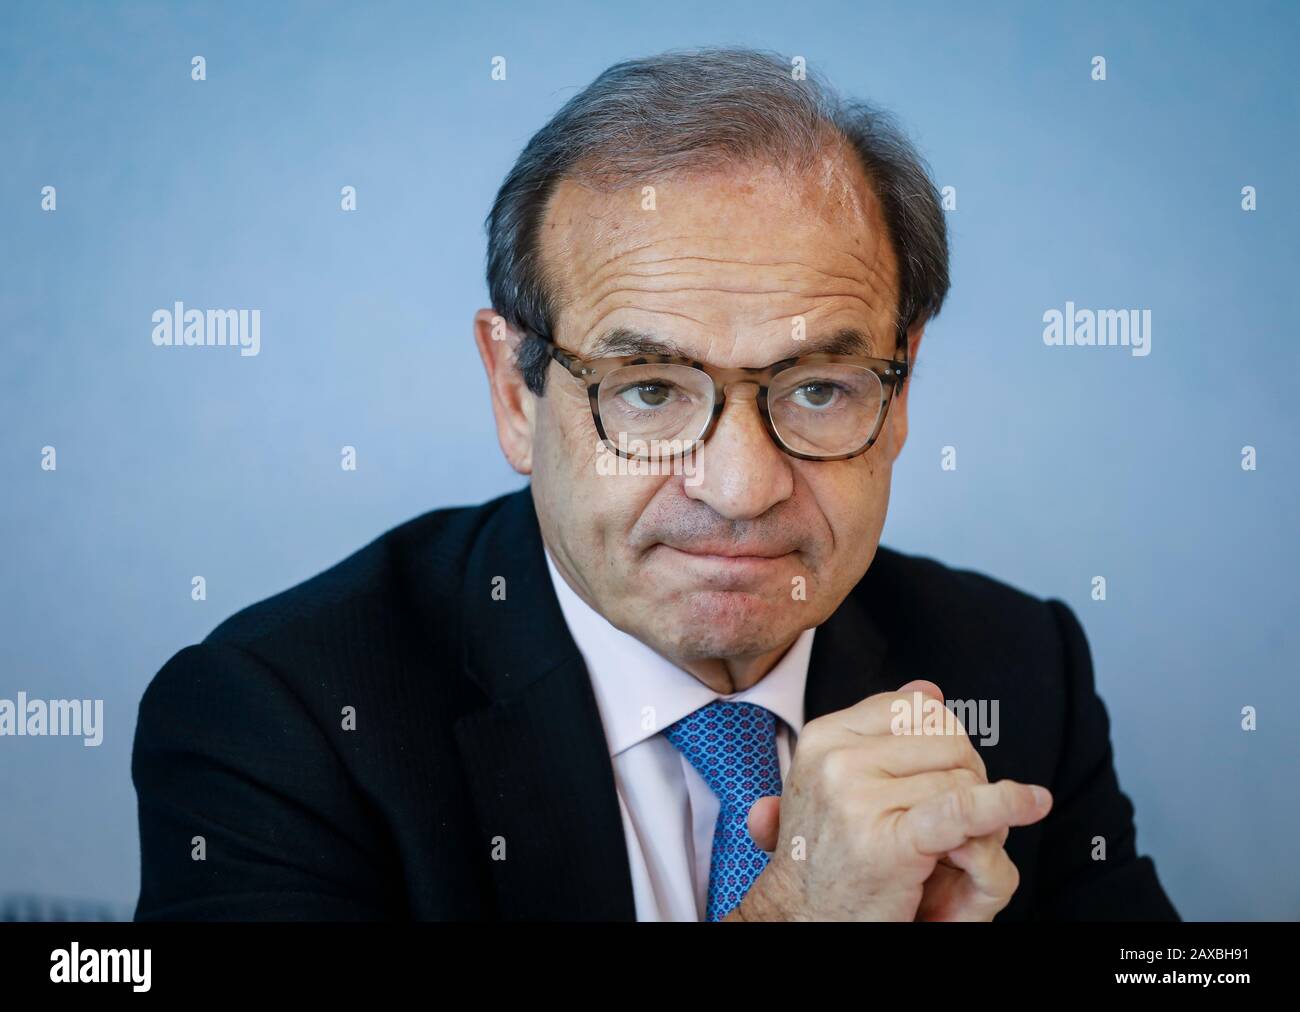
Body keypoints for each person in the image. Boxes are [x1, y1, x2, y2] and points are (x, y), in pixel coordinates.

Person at [132, 46, 1178, 921]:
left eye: (818, 388)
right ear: (514, 392)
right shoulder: (279, 719)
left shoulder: (1015, 664)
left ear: (898, 396)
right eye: (647, 391)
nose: (739, 487)